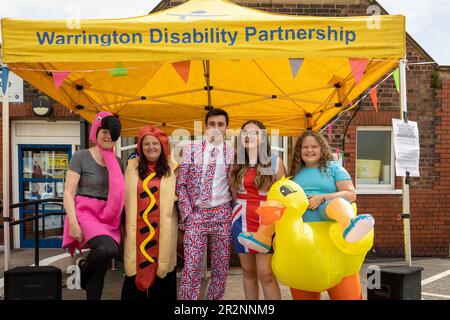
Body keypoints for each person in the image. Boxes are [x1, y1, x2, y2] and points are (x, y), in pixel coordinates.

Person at [242, 130, 375, 300]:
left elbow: (350, 194)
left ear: (322, 149)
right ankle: (262, 237)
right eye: (305, 147)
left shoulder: (333, 168)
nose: (309, 150)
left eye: (314, 146)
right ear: (299, 150)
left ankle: (350, 226)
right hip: (304, 242)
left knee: (338, 204)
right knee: (276, 205)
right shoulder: (295, 173)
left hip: (327, 218)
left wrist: (323, 197)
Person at [62, 111, 125, 300]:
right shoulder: (81, 157)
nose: (107, 136)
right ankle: (82, 268)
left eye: (111, 133)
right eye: (104, 131)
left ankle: (87, 274)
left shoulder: (119, 163)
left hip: (109, 217)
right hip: (86, 213)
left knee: (99, 271)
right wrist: (73, 222)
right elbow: (68, 192)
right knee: (108, 249)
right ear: (96, 132)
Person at [176, 108, 234, 300]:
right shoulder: (190, 151)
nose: (216, 128)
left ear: (227, 127)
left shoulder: (233, 153)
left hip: (223, 214)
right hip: (197, 214)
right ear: (205, 126)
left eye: (220, 124)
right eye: (212, 124)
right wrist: (188, 214)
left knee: (220, 269)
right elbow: (181, 184)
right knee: (191, 267)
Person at [121, 125, 178, 300]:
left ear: (162, 146)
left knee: (163, 278)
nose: (151, 147)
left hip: (164, 233)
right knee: (133, 276)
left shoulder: (174, 169)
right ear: (140, 147)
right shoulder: (131, 168)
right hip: (136, 234)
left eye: (155, 143)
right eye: (146, 143)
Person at [231, 120, 286, 300]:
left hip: (266, 222)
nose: (248, 136)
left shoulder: (275, 161)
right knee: (247, 272)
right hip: (241, 219)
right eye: (245, 132)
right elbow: (234, 194)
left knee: (266, 273)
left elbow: (283, 194)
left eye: (254, 133)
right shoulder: (237, 163)